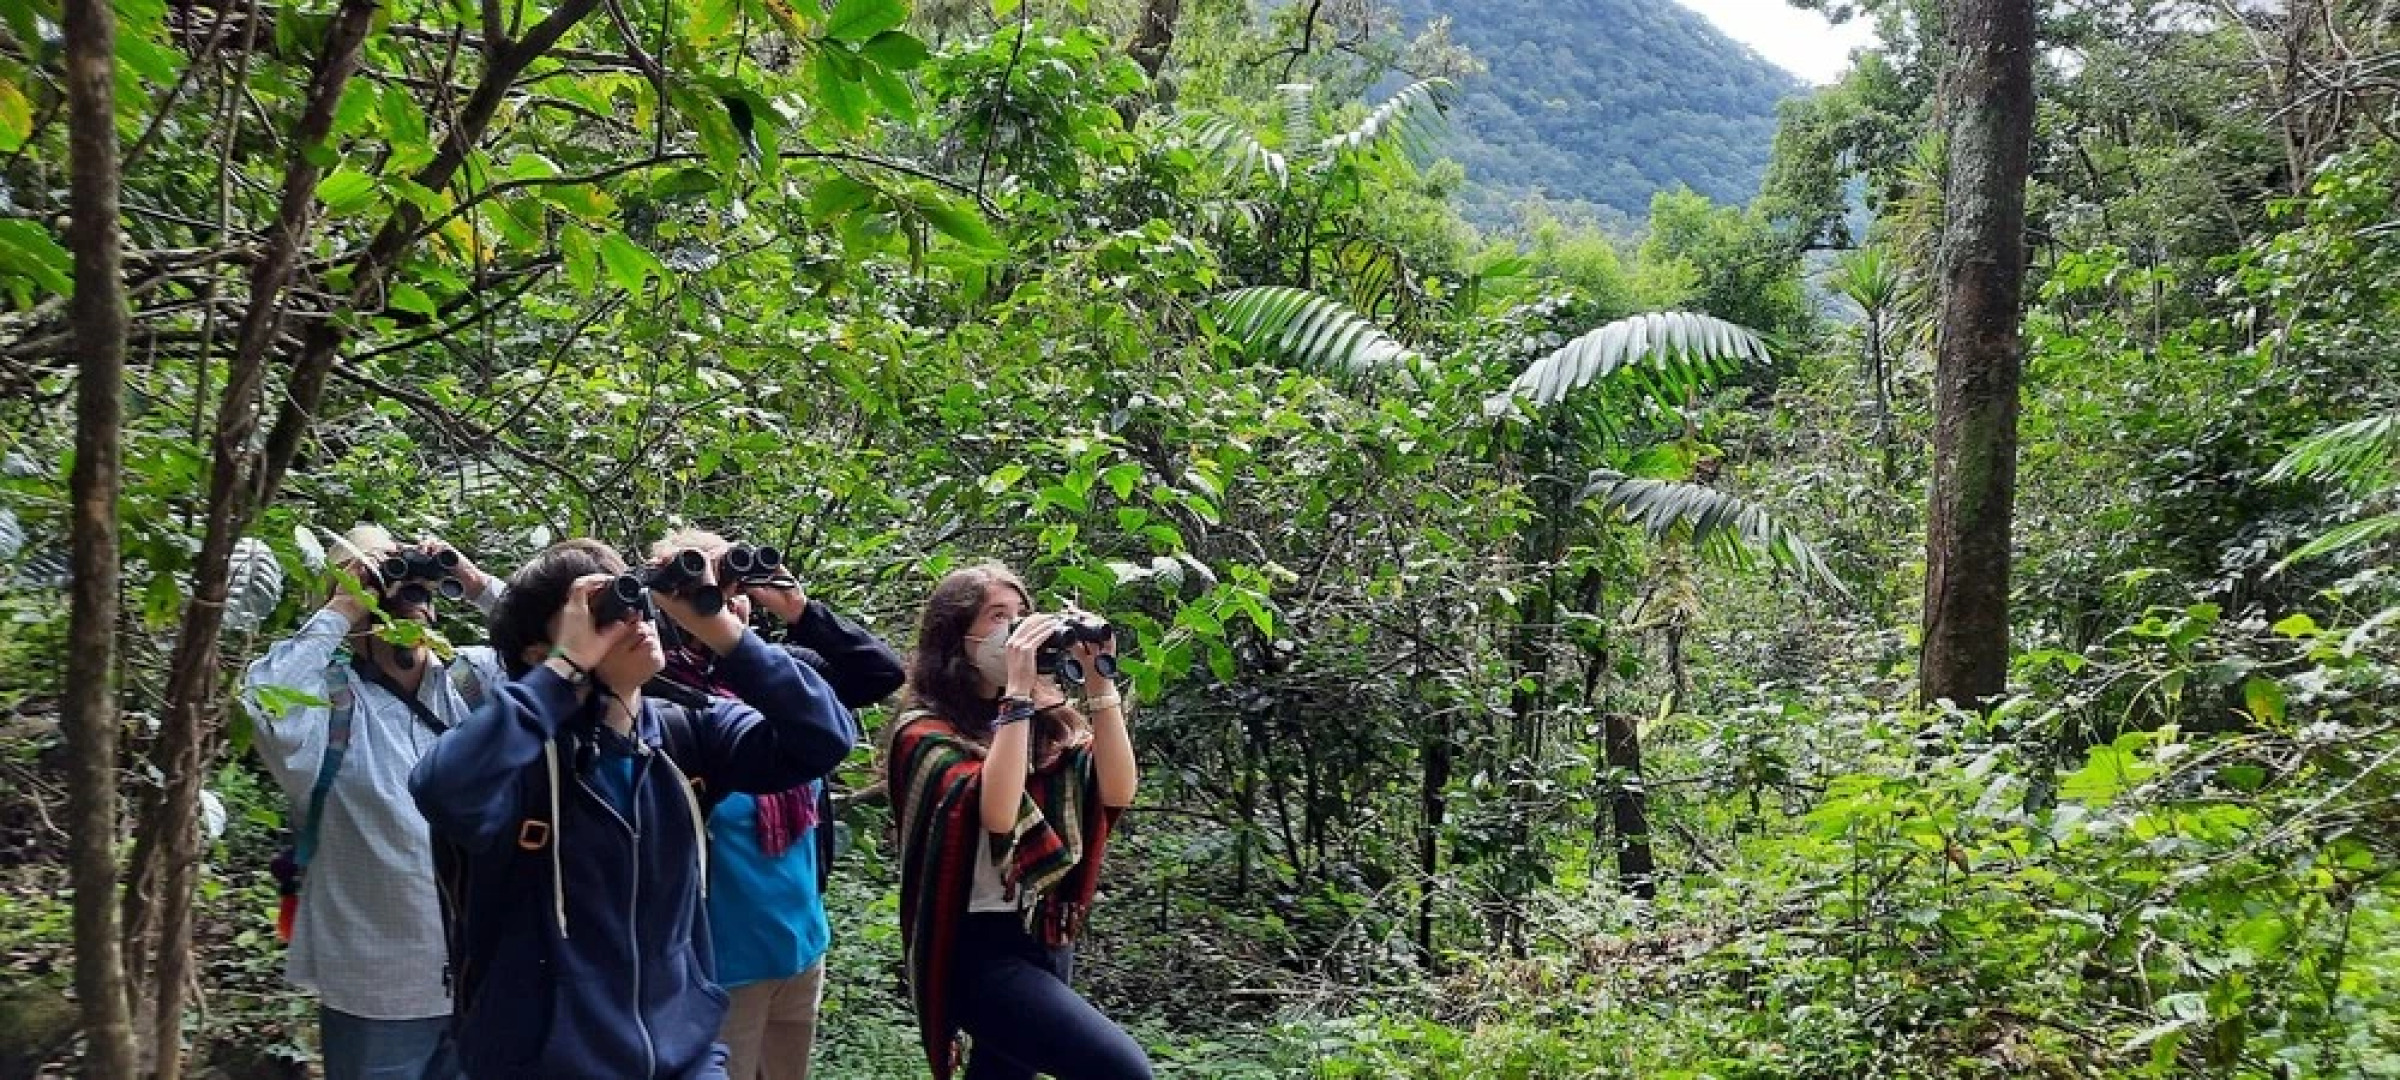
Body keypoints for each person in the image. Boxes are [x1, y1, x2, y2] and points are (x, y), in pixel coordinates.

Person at [408, 538, 854, 1080]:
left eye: (631, 601)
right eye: (601, 615)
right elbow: (441, 789)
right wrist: (564, 669)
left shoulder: (684, 733)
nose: (632, 619)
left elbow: (826, 737)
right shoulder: (518, 762)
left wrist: (720, 629)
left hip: (685, 1057)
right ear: (539, 652)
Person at [646, 529, 905, 1080]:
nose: (729, 598)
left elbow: (880, 673)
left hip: (800, 945)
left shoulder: (782, 676)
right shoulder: (655, 699)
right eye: (710, 586)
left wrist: (800, 609)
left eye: (733, 584)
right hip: (718, 965)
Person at [243, 526, 500, 1080]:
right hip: (377, 988)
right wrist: (342, 606)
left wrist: (474, 583)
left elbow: (568, 652)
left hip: (487, 978)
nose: (408, 594)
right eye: (386, 580)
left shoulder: (472, 681)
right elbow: (264, 705)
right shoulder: (324, 702)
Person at [885, 562, 1150, 1080]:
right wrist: (1019, 699)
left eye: (1023, 616)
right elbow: (998, 811)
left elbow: (1118, 789)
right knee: (1122, 1070)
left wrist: (1099, 684)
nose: (1016, 632)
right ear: (955, 641)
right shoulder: (922, 734)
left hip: (1045, 928)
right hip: (973, 950)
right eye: (997, 618)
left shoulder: (1048, 724)